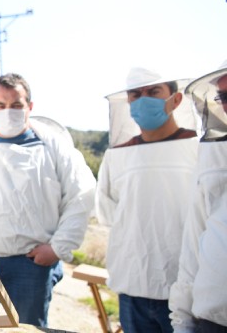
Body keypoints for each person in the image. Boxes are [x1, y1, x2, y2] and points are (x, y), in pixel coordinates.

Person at [0, 73, 95, 327]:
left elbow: (81, 195)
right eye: (0, 105)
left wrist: (58, 247)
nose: (8, 111)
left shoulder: (54, 147)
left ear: (30, 107)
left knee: (26, 330)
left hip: (29, 266)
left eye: (16, 105)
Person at [96, 67, 200, 332]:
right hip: (133, 285)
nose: (143, 100)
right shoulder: (117, 156)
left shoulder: (199, 149)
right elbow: (108, 214)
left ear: (175, 100)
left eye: (153, 92)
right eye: (135, 94)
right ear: (128, 102)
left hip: (188, 288)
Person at [169, 64, 227, 332]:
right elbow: (195, 245)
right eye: (224, 98)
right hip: (212, 322)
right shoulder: (216, 159)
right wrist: (181, 318)